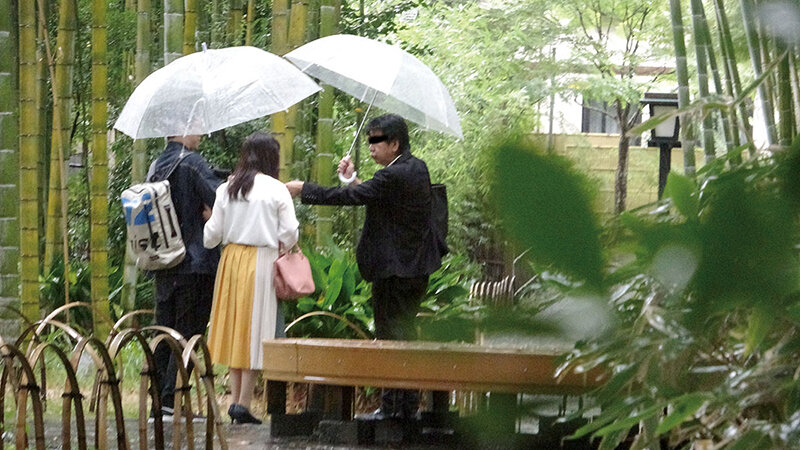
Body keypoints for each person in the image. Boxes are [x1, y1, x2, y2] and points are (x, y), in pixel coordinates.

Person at [286, 114, 443, 419]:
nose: (371, 146)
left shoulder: (394, 175)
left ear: (394, 144)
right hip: (413, 268)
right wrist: (352, 178)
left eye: (376, 140)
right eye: (369, 139)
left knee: (390, 338)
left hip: (395, 272)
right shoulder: (415, 168)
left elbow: (353, 197)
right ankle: (403, 407)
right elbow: (376, 196)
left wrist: (304, 188)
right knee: (402, 336)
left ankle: (393, 409)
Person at [204, 132, 299, 424]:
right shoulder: (276, 189)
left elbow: (211, 236)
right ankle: (243, 403)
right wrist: (281, 243)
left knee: (235, 328)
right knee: (257, 330)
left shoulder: (227, 188)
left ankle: (235, 401)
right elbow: (290, 232)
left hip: (231, 260)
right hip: (262, 260)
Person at [149, 134, 222, 419]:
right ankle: (172, 399)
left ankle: (158, 401)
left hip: (165, 261)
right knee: (188, 333)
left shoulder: (156, 165)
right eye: (197, 126)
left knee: (164, 331)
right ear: (183, 127)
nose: (202, 132)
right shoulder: (193, 163)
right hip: (195, 264)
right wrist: (212, 214)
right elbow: (221, 201)